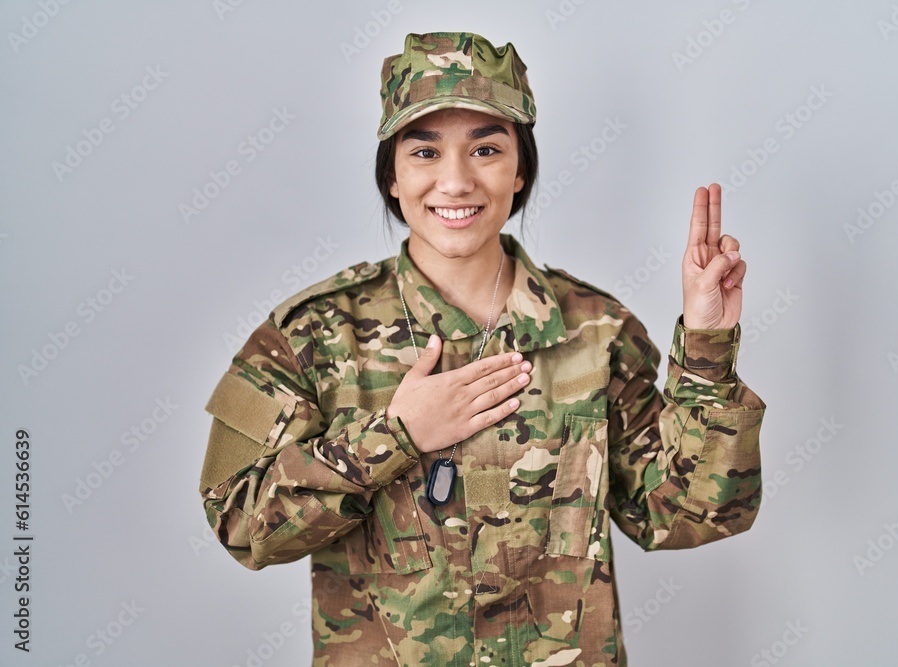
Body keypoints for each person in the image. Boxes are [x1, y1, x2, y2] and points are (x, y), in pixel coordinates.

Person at [198, 31, 766, 666]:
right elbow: (240, 525)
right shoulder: (316, 333)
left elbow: (687, 513)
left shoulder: (597, 331)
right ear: (392, 175)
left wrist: (708, 344)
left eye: (487, 149)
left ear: (519, 171)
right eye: (424, 152)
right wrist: (396, 435)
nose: (456, 181)